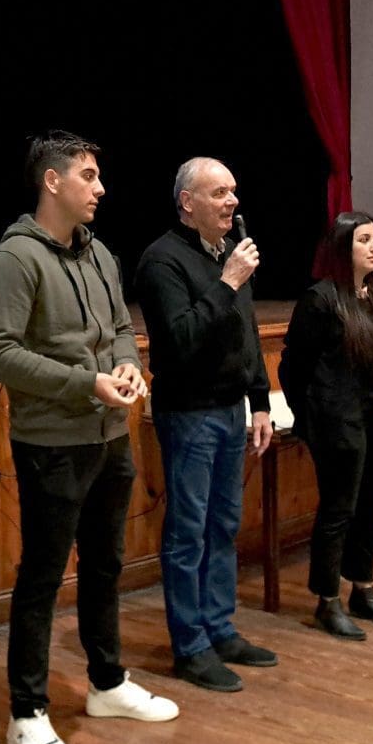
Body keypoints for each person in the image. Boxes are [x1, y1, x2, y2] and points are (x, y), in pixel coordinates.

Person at [0, 131, 179, 744]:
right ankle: (27, 714)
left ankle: (107, 683)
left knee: (105, 566)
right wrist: (83, 382)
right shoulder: (14, 260)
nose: (100, 188)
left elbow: (120, 328)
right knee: (41, 577)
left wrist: (125, 369)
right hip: (51, 444)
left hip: (109, 437)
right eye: (88, 176)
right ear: (52, 182)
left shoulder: (101, 256)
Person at [135, 157, 277, 693]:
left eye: (234, 192)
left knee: (224, 525)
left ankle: (220, 628)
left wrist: (260, 400)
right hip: (189, 414)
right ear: (187, 203)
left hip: (230, 410)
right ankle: (190, 645)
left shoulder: (229, 253)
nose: (232, 203)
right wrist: (228, 281)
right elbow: (178, 341)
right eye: (219, 193)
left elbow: (245, 331)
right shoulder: (162, 262)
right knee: (188, 532)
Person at [277, 211, 373, 640]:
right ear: (342, 247)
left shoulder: (372, 292)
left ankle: (362, 588)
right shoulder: (321, 299)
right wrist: (311, 420)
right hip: (339, 424)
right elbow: (292, 367)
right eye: (364, 240)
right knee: (339, 510)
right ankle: (326, 599)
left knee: (371, 505)